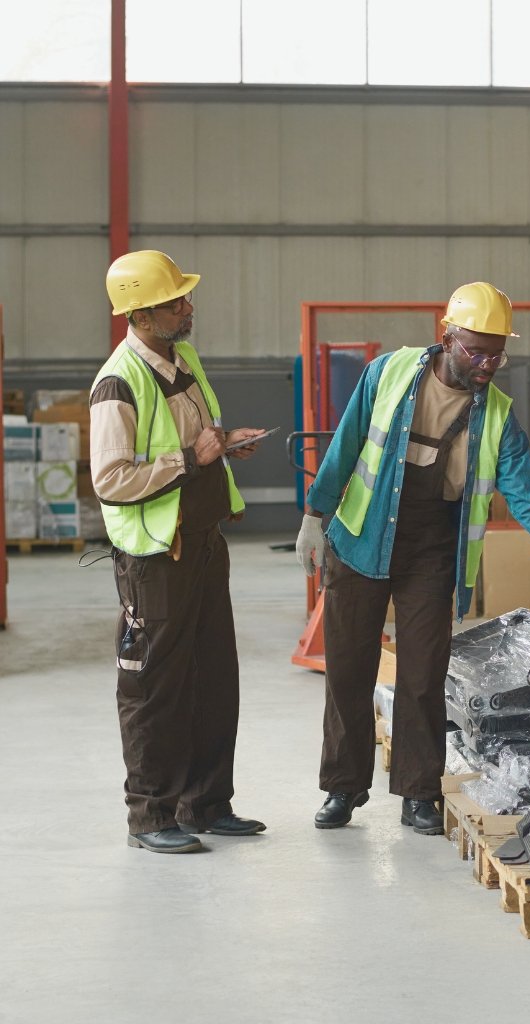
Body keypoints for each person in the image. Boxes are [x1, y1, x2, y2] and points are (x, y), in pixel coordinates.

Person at [295, 282, 530, 836]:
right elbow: (347, 444)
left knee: (423, 677)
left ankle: (419, 793)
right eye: (476, 349)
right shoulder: (389, 374)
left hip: (431, 550)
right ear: (445, 335)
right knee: (348, 673)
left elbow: (528, 500)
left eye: (497, 352)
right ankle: (343, 788)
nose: (488, 362)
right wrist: (314, 515)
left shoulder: (497, 417)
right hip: (360, 538)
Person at [90, 250, 267, 854]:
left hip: (203, 542)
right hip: (156, 557)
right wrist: (191, 460)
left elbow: (197, 437)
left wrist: (224, 444)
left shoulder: (182, 359)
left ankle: (207, 804)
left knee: (214, 677)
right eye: (176, 300)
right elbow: (111, 479)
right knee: (154, 688)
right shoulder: (118, 382)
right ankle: (151, 815)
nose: (188, 307)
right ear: (141, 313)